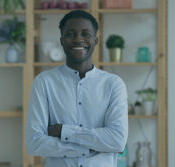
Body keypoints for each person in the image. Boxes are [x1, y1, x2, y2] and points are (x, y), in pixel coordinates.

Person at [25, 10, 128, 167]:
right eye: (70, 34)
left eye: (85, 34)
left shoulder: (113, 84)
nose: (78, 39)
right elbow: (34, 143)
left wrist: (64, 131)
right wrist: (92, 146)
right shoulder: (44, 82)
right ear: (61, 40)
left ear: (95, 40)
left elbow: (117, 140)